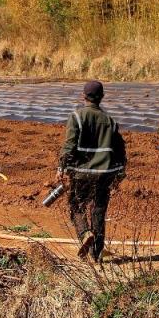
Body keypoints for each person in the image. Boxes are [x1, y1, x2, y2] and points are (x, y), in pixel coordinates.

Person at [58, 80, 127, 262]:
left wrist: (61, 168)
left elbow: (69, 146)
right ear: (102, 97)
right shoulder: (110, 122)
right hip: (105, 174)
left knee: (76, 207)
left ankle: (84, 233)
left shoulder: (77, 117)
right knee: (98, 211)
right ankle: (96, 255)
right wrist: (120, 174)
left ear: (84, 96)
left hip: (81, 173)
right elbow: (120, 151)